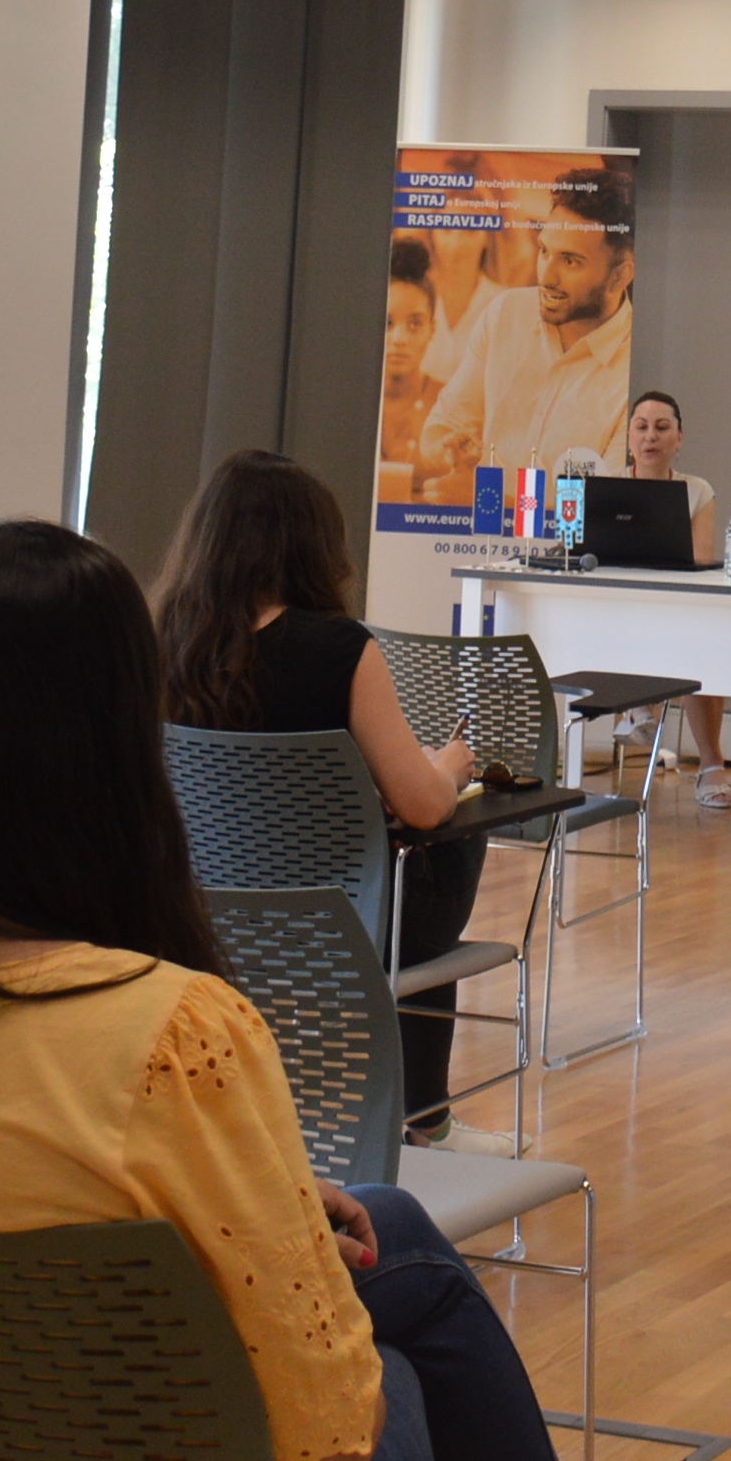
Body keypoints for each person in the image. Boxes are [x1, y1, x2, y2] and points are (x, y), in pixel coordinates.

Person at [0, 517, 562, 1461]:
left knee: (386, 1221)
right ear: (121, 742)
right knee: (398, 1359)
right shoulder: (169, 1040)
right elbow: (327, 1459)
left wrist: (269, 1212)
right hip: (109, 1449)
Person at [155, 451, 492, 1138]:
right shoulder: (339, 649)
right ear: (313, 545)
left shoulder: (162, 637)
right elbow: (422, 805)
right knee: (447, 841)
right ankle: (429, 1125)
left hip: (195, 907)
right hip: (338, 916)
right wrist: (450, 767)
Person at [418, 167, 632, 483]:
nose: (546, 276)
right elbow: (442, 424)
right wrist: (445, 449)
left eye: (570, 261)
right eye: (544, 251)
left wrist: (488, 495)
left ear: (620, 275)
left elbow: (606, 499)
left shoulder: (636, 368)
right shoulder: (505, 313)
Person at [614, 393, 731, 811]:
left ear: (679, 438)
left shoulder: (697, 490)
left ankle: (710, 762)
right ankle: (636, 708)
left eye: (662, 427)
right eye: (641, 427)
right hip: (620, 606)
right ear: (629, 437)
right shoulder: (606, 488)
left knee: (700, 641)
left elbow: (699, 559)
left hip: (676, 607)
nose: (650, 437)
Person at [376, 242, 444, 487]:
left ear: (432, 330)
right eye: (387, 323)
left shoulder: (452, 406)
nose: (399, 339)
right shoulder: (345, 400)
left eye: (414, 324)